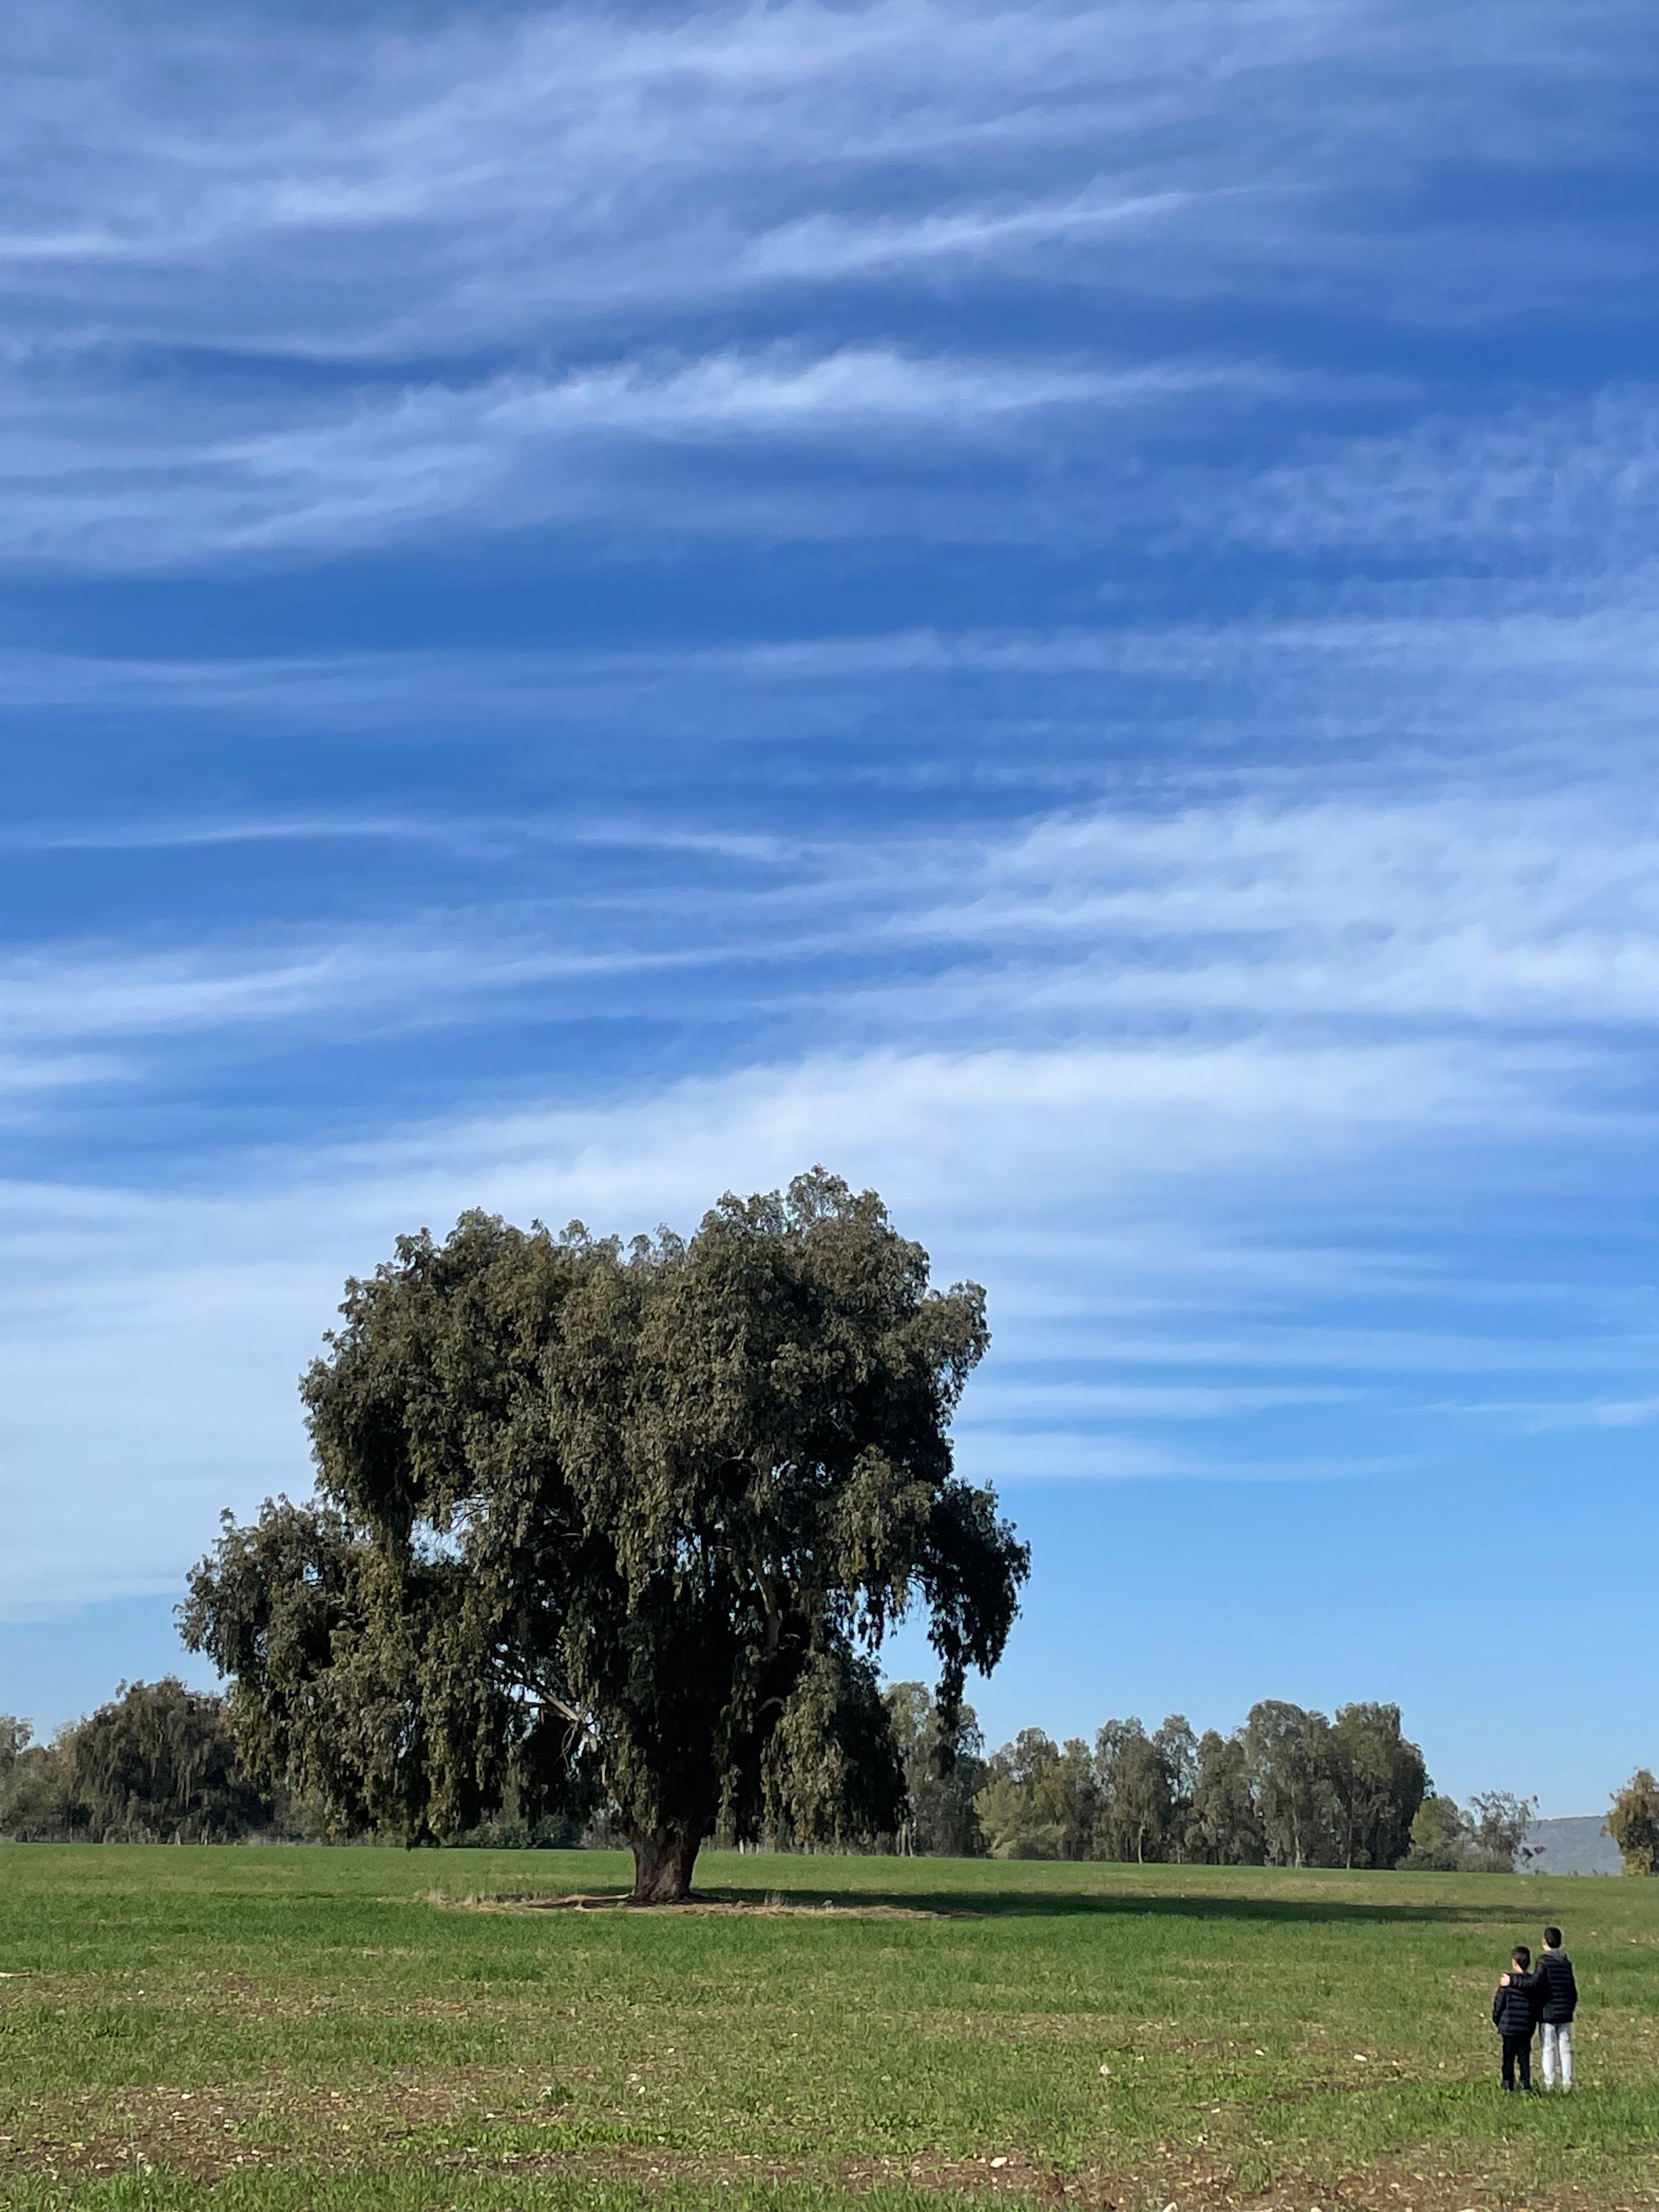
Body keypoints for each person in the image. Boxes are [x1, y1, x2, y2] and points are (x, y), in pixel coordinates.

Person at [1529, 1926, 1578, 2091]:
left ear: (1544, 1942)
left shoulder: (1543, 1961)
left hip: (1548, 2012)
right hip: (1565, 2011)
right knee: (1566, 2049)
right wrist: (1570, 2007)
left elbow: (1537, 1984)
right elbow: (1572, 1988)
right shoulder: (1566, 1962)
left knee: (1548, 2048)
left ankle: (1549, 2083)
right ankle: (1568, 2083)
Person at [1492, 1944, 1538, 2091]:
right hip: (1526, 2027)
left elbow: (1499, 2004)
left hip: (1509, 2027)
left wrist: (1497, 2020)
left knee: (1508, 2058)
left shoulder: (1507, 1983)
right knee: (1524, 2058)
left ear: (1514, 1962)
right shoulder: (1532, 1984)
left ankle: (1507, 2084)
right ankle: (1525, 2084)